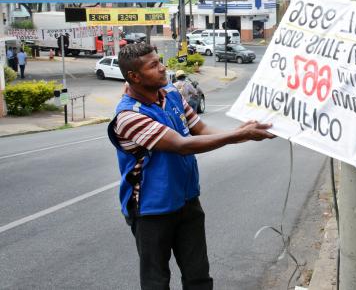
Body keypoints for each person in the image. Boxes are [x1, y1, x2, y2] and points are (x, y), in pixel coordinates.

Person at [106, 43, 275, 289]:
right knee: (156, 281)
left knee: (199, 277)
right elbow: (182, 145)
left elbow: (201, 129)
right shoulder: (128, 117)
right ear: (134, 76)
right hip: (152, 210)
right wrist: (239, 136)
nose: (163, 68)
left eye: (160, 61)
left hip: (187, 200)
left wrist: (239, 132)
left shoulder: (171, 94)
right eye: (153, 65)